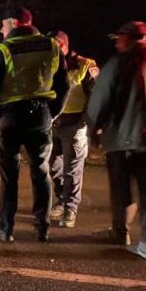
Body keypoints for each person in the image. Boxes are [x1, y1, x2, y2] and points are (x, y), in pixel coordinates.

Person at [0, 7, 69, 242]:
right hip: (40, 117)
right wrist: (52, 113)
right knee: (41, 172)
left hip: (9, 118)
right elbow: (63, 85)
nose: (1, 28)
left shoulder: (3, 50)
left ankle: (6, 229)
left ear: (14, 23)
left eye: (3, 24)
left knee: (9, 176)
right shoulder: (52, 46)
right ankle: (42, 228)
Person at [86, 21, 146, 260]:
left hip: (121, 139)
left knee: (121, 190)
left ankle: (121, 233)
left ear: (128, 38)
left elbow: (99, 100)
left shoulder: (119, 63)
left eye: (118, 38)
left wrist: (92, 129)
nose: (116, 42)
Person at [46, 30, 99, 228]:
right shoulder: (48, 65)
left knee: (73, 170)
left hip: (75, 125)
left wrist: (86, 122)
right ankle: (61, 200)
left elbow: (96, 96)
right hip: (54, 124)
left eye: (59, 44)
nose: (56, 48)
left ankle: (70, 209)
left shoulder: (85, 65)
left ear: (66, 45)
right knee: (54, 167)